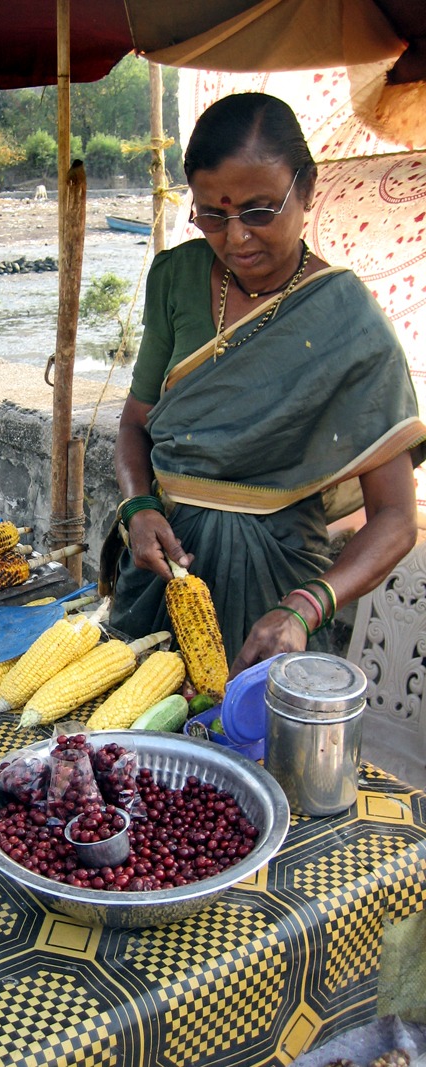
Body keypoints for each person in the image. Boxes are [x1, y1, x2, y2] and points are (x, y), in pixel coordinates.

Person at [106, 92, 425, 678]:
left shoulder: (347, 320)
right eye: (212, 214)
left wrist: (304, 609)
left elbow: (396, 520)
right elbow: (135, 423)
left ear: (306, 189)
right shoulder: (177, 278)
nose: (236, 239)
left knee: (258, 753)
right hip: (159, 575)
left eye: (259, 210)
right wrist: (138, 507)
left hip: (276, 592)